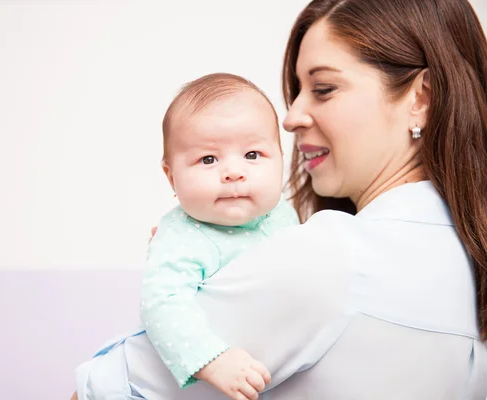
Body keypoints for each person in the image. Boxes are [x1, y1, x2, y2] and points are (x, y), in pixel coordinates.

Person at [71, 0, 487, 398]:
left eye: (323, 88)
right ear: (170, 173)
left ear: (421, 97)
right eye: (298, 89)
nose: (290, 117)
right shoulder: (466, 259)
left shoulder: (329, 261)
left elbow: (100, 390)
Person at [74, 73, 300, 400]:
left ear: (281, 159)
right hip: (139, 389)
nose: (234, 172)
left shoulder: (285, 217)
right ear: (171, 177)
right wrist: (213, 361)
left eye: (253, 155)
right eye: (208, 159)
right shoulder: (182, 236)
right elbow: (163, 305)